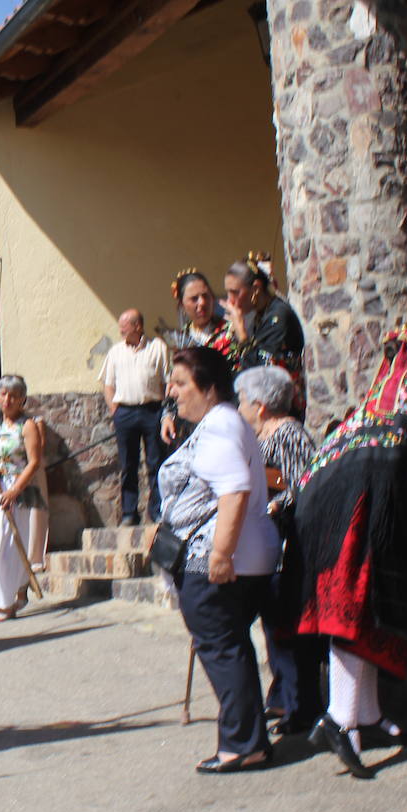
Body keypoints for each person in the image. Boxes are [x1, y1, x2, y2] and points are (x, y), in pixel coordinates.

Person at [291, 323, 407, 778]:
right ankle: (342, 719)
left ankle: (366, 716)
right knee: (354, 608)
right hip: (356, 517)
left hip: (354, 510)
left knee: (369, 609)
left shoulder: (372, 407)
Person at [160, 347, 281, 773]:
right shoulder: (223, 423)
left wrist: (219, 555)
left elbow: (234, 490)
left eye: (181, 383)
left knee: (221, 647)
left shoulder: (218, 427)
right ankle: (248, 739)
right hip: (236, 555)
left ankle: (243, 744)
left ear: (210, 388)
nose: (172, 391)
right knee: (230, 647)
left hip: (217, 560)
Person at [234, 366, 321, 735]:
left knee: (288, 627)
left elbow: (307, 484)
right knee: (274, 625)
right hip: (269, 544)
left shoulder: (289, 434)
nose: (239, 409)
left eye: (242, 402)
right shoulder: (263, 435)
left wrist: (274, 505)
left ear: (260, 405)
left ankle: (301, 705)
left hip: (290, 544)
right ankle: (285, 696)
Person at [0, 376, 49, 622]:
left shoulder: (27, 425)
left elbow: (35, 461)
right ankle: (18, 583)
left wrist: (15, 490)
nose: (8, 399)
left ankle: (5, 604)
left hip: (13, 489)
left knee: (1, 547)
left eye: (14, 395)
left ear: (22, 399)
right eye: (4, 394)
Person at [100, 308, 170, 525]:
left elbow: (168, 381)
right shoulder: (115, 352)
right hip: (125, 413)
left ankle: (157, 511)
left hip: (152, 410)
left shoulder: (157, 347)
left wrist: (167, 411)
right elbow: (107, 384)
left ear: (138, 326)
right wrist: (115, 411)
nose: (120, 329)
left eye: (125, 324)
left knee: (156, 462)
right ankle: (130, 513)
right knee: (128, 464)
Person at [220, 252, 306, 418]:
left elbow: (260, 370)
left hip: (282, 411)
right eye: (228, 293)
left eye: (235, 293)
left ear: (256, 288)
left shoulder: (279, 316)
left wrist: (242, 335)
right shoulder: (260, 313)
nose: (230, 301)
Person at [161, 269, 226, 445]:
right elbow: (173, 384)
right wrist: (167, 416)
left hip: (224, 422)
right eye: (194, 299)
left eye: (206, 296)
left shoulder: (231, 334)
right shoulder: (180, 342)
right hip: (191, 426)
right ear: (182, 305)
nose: (202, 303)